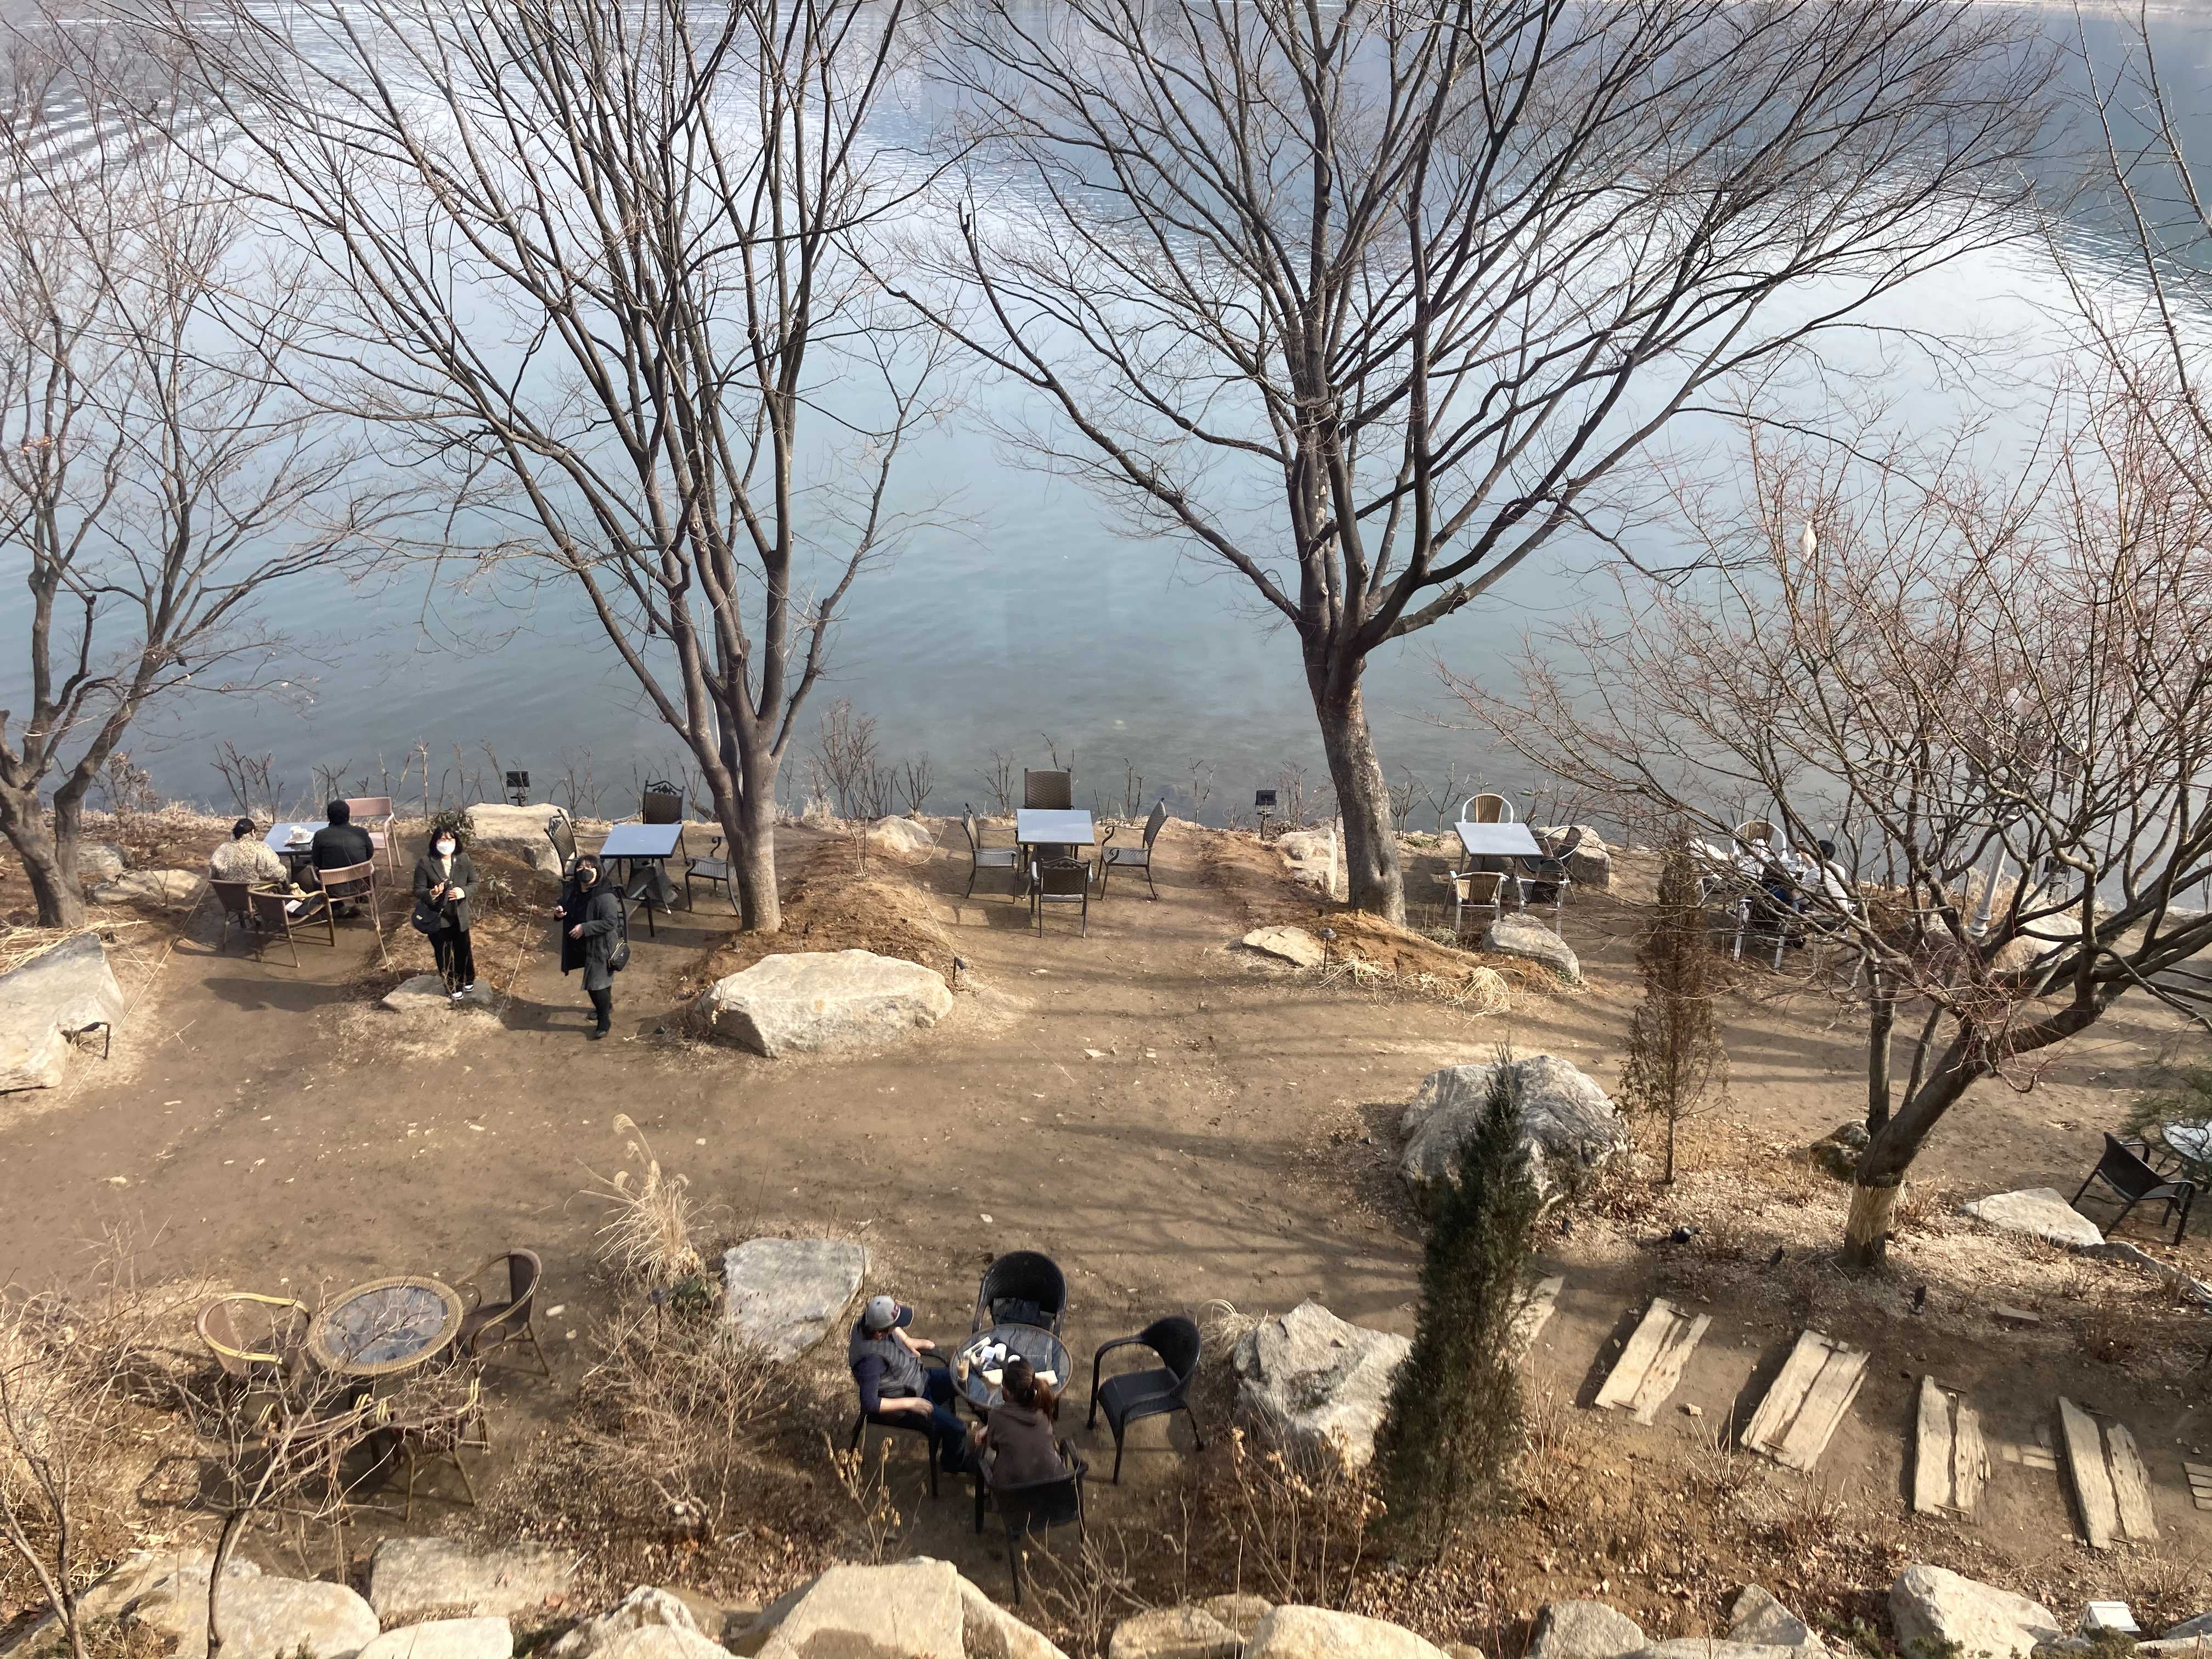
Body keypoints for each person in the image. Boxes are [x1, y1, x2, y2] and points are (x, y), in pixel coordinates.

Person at [847, 1295, 972, 1475]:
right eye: (895, 1325)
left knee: (962, 1379)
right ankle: (953, 1463)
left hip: (918, 1378)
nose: (899, 1327)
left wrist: (907, 1340)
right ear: (880, 1333)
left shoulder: (869, 1320)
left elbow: (891, 1326)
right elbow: (869, 1403)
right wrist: (911, 1403)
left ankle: (978, 1418)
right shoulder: (871, 1362)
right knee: (958, 1428)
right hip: (907, 1400)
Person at [973, 1356, 1069, 1489]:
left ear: (1008, 1392)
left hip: (1012, 1495)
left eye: (1003, 1386)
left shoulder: (997, 1415)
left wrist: (990, 1429)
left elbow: (995, 1446)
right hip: (1053, 1489)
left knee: (985, 1452)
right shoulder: (1042, 1413)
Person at [556, 855, 623, 1039]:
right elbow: (563, 902)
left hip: (601, 945)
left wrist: (585, 928)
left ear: (598, 871)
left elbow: (610, 922)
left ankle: (604, 1019)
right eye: (580, 867)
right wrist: (559, 911)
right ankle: (607, 1006)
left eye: (590, 866)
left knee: (595, 985)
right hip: (581, 944)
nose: (584, 870)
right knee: (602, 979)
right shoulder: (573, 888)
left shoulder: (604, 896)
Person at [413, 828, 478, 997]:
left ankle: (467, 979)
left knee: (463, 948)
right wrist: (432, 893)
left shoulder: (463, 859)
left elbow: (474, 882)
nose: (446, 843)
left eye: (450, 839)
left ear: (456, 841)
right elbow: (418, 890)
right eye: (442, 839)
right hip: (438, 916)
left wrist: (463, 892)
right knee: (444, 952)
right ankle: (452, 985)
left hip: (459, 914)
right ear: (435, 842)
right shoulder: (425, 863)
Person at [310, 799, 375, 915]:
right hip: (362, 885)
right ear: (348, 815)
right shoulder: (361, 833)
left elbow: (317, 861)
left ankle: (335, 907)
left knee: (314, 870)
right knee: (369, 868)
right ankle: (361, 897)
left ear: (329, 817)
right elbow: (369, 854)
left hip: (332, 889)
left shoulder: (321, 835)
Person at [207, 817, 289, 888]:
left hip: (230, 897)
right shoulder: (261, 848)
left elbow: (213, 872)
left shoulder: (223, 849)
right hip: (258, 897)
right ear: (253, 832)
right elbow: (278, 872)